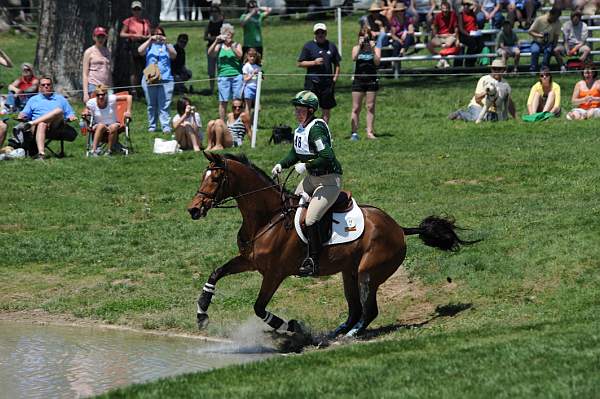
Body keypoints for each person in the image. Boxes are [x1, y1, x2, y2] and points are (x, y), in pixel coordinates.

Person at [271, 91, 343, 277]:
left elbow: (328, 157)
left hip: (329, 180)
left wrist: (307, 165)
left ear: (311, 110)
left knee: (310, 219)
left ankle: (314, 259)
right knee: (292, 208)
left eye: (300, 109)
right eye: (296, 108)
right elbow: (295, 153)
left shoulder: (316, 129)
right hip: (312, 179)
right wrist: (282, 164)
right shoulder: (300, 129)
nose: (297, 112)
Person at [18, 76, 77, 160]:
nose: (46, 86)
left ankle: (32, 123)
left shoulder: (60, 99)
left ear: (52, 86)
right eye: (43, 85)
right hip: (37, 128)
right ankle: (41, 154)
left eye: (48, 84)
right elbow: (24, 113)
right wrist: (21, 115)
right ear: (40, 87)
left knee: (59, 110)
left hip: (55, 127)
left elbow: (70, 114)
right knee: (42, 124)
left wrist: (71, 117)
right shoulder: (33, 99)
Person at [298, 23, 341, 124]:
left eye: (322, 32)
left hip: (327, 83)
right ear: (314, 34)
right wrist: (314, 62)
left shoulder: (331, 46)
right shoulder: (308, 46)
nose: (320, 34)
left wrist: (334, 78)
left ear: (326, 33)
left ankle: (323, 131)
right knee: (309, 108)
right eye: (318, 32)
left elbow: (337, 64)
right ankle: (307, 130)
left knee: (326, 109)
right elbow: (300, 63)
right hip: (312, 82)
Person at [448, 59, 516, 121]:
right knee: (478, 117)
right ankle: (460, 113)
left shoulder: (505, 83)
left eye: (499, 69)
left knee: (493, 119)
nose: (496, 71)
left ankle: (461, 117)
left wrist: (515, 117)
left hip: (493, 110)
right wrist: (488, 91)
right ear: (491, 69)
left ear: (503, 70)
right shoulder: (484, 80)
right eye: (494, 69)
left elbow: (509, 101)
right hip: (478, 106)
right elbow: (477, 98)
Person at [138, 26, 177, 134]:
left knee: (165, 104)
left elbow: (174, 55)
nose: (159, 36)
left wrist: (166, 42)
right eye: (157, 34)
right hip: (150, 77)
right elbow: (140, 51)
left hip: (166, 79)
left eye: (161, 34)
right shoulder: (150, 45)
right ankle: (152, 125)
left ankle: (165, 126)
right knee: (151, 104)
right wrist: (150, 40)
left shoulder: (167, 45)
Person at [83, 85, 132, 156]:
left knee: (114, 127)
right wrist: (86, 112)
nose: (101, 97)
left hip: (113, 124)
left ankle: (109, 151)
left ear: (106, 94)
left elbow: (129, 97)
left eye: (103, 94)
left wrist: (128, 111)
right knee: (101, 126)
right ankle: (94, 151)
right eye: (98, 95)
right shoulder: (91, 102)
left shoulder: (111, 99)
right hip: (98, 125)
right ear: (96, 95)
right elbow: (86, 109)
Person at [351, 27, 381, 141]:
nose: (365, 40)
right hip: (358, 80)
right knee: (356, 107)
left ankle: (369, 131)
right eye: (363, 37)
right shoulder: (356, 48)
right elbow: (354, 58)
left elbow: (377, 62)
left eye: (367, 37)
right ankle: (354, 132)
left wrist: (372, 50)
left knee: (370, 106)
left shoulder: (376, 48)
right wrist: (360, 45)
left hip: (372, 80)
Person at [208, 23, 243, 121]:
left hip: (237, 75)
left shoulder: (236, 44)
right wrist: (216, 41)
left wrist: (231, 45)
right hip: (223, 76)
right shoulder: (219, 46)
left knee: (237, 100)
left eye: (230, 34)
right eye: (226, 34)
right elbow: (210, 53)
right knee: (223, 101)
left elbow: (240, 56)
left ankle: (237, 121)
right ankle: (222, 122)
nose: (228, 36)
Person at [120, 1, 151, 98]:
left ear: (141, 10)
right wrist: (134, 35)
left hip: (144, 44)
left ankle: (146, 89)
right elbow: (122, 34)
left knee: (145, 68)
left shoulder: (146, 22)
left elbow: (149, 35)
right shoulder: (128, 21)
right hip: (133, 45)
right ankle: (134, 91)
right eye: (135, 9)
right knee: (133, 70)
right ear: (132, 10)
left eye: (138, 9)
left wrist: (144, 37)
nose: (137, 11)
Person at [528, 7, 563, 72]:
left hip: (548, 43)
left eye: (557, 17)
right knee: (535, 51)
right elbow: (530, 31)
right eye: (554, 17)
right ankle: (533, 69)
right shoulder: (539, 19)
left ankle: (544, 69)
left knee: (548, 51)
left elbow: (556, 36)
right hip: (537, 42)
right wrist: (539, 36)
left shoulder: (557, 23)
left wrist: (554, 46)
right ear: (550, 14)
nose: (555, 19)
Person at [82, 26, 112, 103]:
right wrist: (85, 93)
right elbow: (85, 74)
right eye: (99, 37)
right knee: (94, 110)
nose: (101, 39)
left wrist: (111, 87)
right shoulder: (89, 52)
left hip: (106, 86)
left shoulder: (107, 51)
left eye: (103, 37)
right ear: (94, 37)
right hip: (94, 85)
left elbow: (108, 71)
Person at [427, 0, 458, 68]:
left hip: (450, 35)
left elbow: (456, 27)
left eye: (446, 9)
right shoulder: (438, 16)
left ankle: (442, 61)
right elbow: (435, 27)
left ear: (449, 8)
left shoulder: (453, 15)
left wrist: (456, 36)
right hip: (440, 36)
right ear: (441, 9)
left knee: (447, 44)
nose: (445, 10)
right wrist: (434, 36)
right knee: (429, 45)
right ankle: (441, 59)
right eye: (443, 9)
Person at [203, 5, 224, 95]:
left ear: (219, 12)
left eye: (215, 11)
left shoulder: (223, 23)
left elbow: (226, 35)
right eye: (212, 11)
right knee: (211, 70)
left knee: (221, 69)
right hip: (211, 48)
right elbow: (205, 37)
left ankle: (221, 88)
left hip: (221, 47)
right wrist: (215, 38)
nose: (214, 13)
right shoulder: (209, 23)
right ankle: (211, 89)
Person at [456, 0, 483, 67]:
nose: (467, 7)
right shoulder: (461, 15)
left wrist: (471, 2)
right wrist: (469, 34)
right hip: (464, 35)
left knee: (481, 45)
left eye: (468, 6)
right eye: (465, 6)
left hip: (474, 33)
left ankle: (472, 61)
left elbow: (478, 6)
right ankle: (468, 62)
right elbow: (461, 29)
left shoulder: (473, 13)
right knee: (473, 44)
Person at [242, 48, 262, 114]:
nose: (252, 58)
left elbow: (260, 78)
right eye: (250, 56)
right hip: (248, 87)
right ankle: (247, 124)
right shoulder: (246, 66)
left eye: (254, 56)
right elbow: (245, 79)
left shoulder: (257, 67)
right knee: (248, 108)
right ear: (247, 56)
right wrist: (252, 74)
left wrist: (261, 77)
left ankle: (253, 122)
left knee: (258, 108)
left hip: (256, 88)